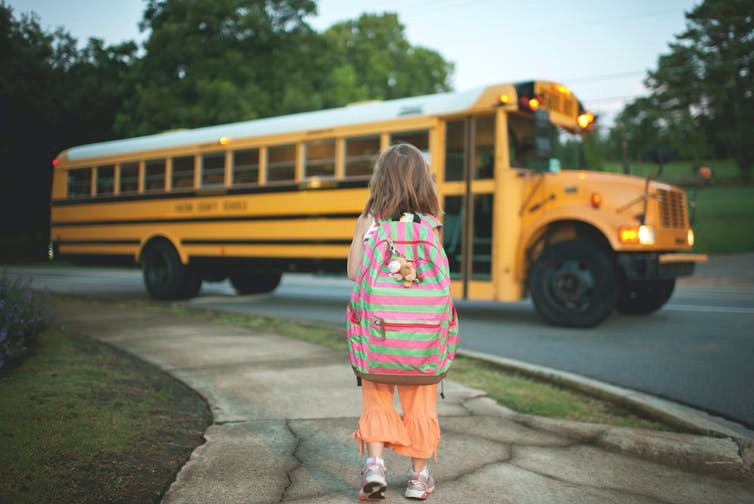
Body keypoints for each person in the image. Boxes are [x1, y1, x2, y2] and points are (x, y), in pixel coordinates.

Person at [347, 143, 444, 501]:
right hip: (421, 340)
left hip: (379, 334)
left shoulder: (372, 224)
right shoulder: (432, 226)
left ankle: (374, 467)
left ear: (381, 180)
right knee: (421, 404)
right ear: (423, 182)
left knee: (376, 400)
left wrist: (360, 233)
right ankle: (418, 478)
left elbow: (356, 274)